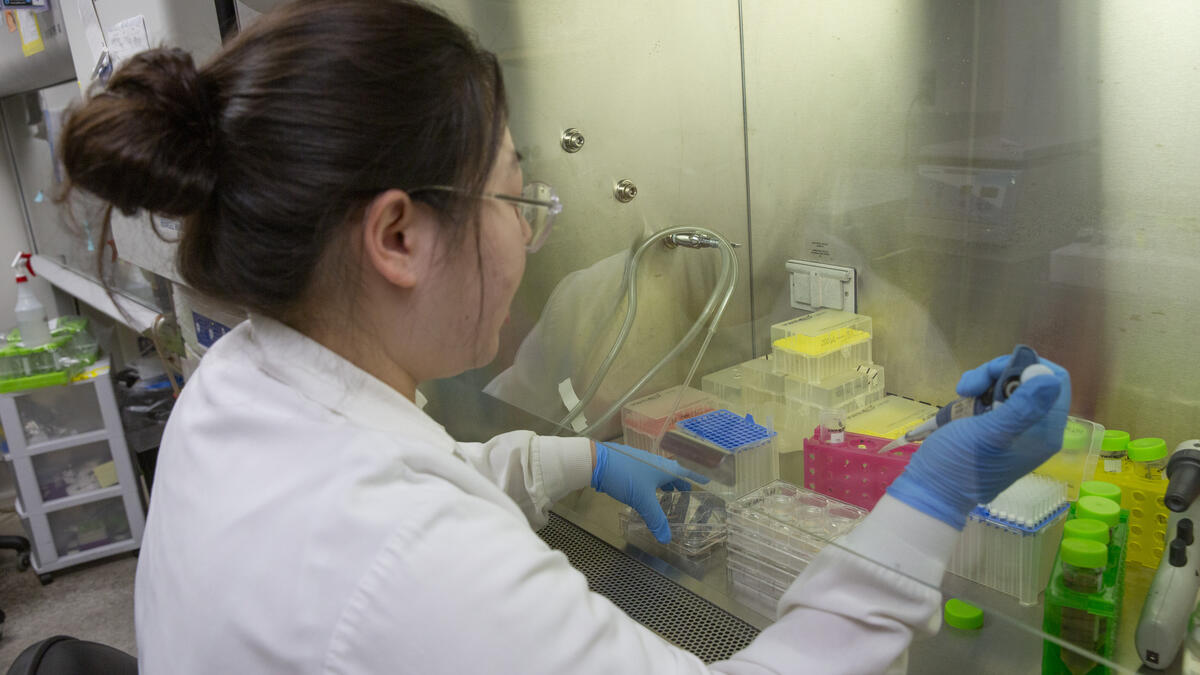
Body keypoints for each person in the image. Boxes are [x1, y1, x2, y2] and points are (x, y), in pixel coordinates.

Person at [58, 2, 1070, 673]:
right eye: (512, 194)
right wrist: (930, 501)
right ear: (399, 235)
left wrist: (571, 457)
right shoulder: (409, 562)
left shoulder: (238, 390)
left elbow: (406, 477)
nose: (530, 233)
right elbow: (406, 551)